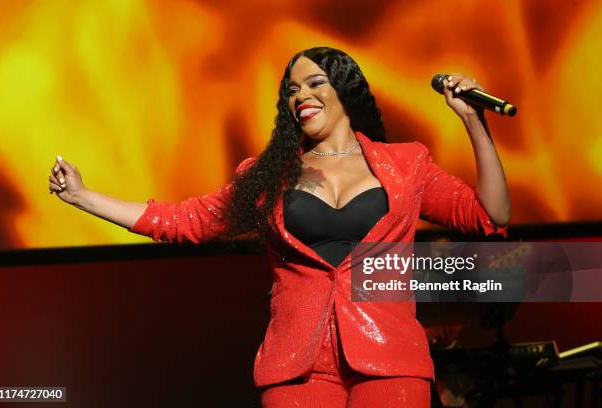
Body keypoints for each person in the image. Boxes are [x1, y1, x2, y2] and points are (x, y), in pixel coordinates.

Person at [48, 46, 510, 407]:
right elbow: (183, 221)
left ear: (345, 89)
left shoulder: (406, 164)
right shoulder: (267, 176)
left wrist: (473, 121)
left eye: (314, 83)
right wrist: (83, 197)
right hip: (297, 369)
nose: (300, 96)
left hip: (389, 359)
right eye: (291, 90)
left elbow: (490, 216)